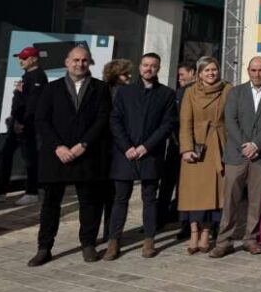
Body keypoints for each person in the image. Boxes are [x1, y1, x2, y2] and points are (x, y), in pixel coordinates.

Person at [28, 45, 111, 267]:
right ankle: (44, 248)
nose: (80, 64)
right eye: (75, 60)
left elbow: (103, 119)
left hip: (86, 154)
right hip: (57, 155)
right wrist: (58, 146)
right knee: (50, 205)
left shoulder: (100, 88)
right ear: (67, 62)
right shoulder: (51, 89)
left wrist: (84, 144)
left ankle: (88, 244)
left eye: (84, 60)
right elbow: (41, 120)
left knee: (89, 202)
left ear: (89, 63)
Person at [208, 57, 261, 258]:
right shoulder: (236, 92)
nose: (257, 74)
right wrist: (245, 145)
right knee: (231, 200)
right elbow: (230, 120)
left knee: (256, 199)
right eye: (253, 70)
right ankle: (224, 241)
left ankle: (251, 238)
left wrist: (256, 145)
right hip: (237, 153)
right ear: (248, 71)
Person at [105, 53, 176, 260]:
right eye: (145, 65)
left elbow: (167, 124)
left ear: (158, 68)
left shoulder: (166, 94)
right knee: (120, 199)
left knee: (150, 199)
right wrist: (127, 147)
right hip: (124, 153)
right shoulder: (124, 92)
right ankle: (113, 242)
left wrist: (146, 146)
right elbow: (115, 120)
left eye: (153, 66)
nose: (149, 69)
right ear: (139, 67)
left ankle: (149, 241)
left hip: (150, 154)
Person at [178, 56, 231, 254]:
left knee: (214, 192)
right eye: (207, 70)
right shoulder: (190, 92)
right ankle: (193, 232)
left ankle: (206, 232)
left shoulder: (227, 89)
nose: (211, 73)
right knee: (193, 192)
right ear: (199, 73)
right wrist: (186, 148)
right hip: (196, 148)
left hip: (218, 146)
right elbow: (185, 122)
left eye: (214, 70)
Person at [0, 45, 47, 205]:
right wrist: (13, 118)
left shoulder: (38, 76)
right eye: (20, 57)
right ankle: (0, 190)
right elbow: (20, 99)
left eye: (24, 58)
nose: (21, 61)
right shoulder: (27, 75)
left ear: (34, 59)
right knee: (5, 154)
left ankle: (32, 191)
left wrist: (23, 122)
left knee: (29, 157)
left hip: (26, 125)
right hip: (16, 123)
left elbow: (33, 102)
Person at [159, 60, 196, 237]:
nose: (179, 78)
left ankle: (185, 225)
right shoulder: (177, 93)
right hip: (174, 146)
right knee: (166, 184)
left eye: (182, 75)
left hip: (189, 147)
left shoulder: (197, 92)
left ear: (192, 73)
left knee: (185, 188)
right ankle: (159, 220)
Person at [99, 58, 132, 239]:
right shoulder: (121, 93)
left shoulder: (104, 90)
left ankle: (108, 232)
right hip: (115, 148)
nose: (129, 77)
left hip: (109, 148)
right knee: (115, 194)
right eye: (125, 73)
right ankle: (110, 232)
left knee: (108, 194)